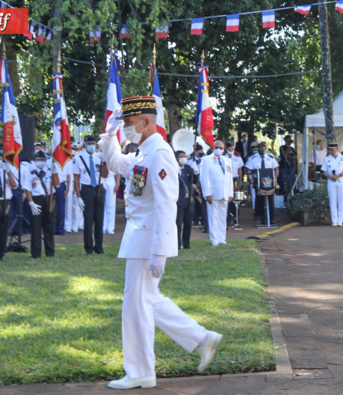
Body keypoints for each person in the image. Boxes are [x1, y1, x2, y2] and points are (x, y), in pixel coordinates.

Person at [100, 97, 222, 390]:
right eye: (125, 123)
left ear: (147, 121)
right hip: (139, 238)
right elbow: (116, 163)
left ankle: (141, 371)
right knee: (147, 302)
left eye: (129, 123)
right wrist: (110, 131)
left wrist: (159, 251)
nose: (127, 128)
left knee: (135, 306)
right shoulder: (143, 152)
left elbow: (168, 204)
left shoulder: (159, 153)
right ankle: (202, 338)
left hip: (147, 240)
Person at [74, 135, 108, 255]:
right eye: (88, 143)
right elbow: (76, 179)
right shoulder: (78, 159)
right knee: (88, 221)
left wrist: (104, 162)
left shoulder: (99, 157)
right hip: (87, 189)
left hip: (99, 188)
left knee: (99, 220)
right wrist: (78, 197)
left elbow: (105, 175)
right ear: (84, 145)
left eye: (93, 143)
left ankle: (99, 247)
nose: (91, 145)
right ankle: (88, 248)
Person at [22, 151, 59, 258]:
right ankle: (36, 254)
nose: (40, 162)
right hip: (36, 200)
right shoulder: (31, 172)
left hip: (49, 198)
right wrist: (30, 202)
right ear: (34, 161)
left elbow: (56, 184)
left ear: (45, 160)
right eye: (37, 160)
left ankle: (50, 252)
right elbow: (27, 188)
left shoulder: (49, 170)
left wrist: (55, 172)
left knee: (49, 226)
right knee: (36, 227)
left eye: (42, 160)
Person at [201, 141, 234, 246]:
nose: (219, 149)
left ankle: (221, 238)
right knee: (213, 216)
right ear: (213, 147)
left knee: (222, 216)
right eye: (217, 147)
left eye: (221, 147)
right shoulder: (206, 160)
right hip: (213, 193)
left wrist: (230, 194)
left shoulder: (227, 160)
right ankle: (214, 239)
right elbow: (204, 178)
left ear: (224, 149)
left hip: (224, 193)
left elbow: (230, 178)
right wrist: (207, 194)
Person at [246, 142, 279, 225]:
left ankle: (271, 219)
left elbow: (276, 168)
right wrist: (251, 179)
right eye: (260, 148)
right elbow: (248, 169)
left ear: (266, 148)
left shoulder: (270, 157)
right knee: (260, 202)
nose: (262, 149)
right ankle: (263, 220)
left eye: (263, 147)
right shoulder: (253, 158)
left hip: (270, 182)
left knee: (270, 201)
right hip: (259, 183)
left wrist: (275, 178)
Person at [322, 142, 343, 227]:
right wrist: (330, 176)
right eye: (330, 150)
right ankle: (334, 221)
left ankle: (340, 221)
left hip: (341, 180)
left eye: (332, 150)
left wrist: (339, 175)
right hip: (331, 181)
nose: (331, 151)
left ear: (337, 149)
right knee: (332, 200)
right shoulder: (327, 159)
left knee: (341, 200)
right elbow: (324, 171)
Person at [175, 150, 197, 249]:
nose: (184, 158)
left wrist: (195, 171)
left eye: (185, 156)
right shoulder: (173, 170)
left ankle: (186, 244)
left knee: (188, 223)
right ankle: (178, 244)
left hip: (189, 200)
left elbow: (195, 181)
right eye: (181, 157)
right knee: (178, 224)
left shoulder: (188, 169)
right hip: (178, 200)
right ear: (176, 158)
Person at [225, 142, 244, 225]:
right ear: (226, 149)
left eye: (232, 149)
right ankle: (228, 218)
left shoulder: (238, 158)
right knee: (227, 199)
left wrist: (240, 181)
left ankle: (236, 218)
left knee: (235, 200)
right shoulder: (223, 158)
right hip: (226, 181)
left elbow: (240, 171)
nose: (231, 150)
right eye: (229, 149)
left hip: (234, 180)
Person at [278, 135, 297, 202]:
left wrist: (290, 156)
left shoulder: (292, 149)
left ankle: (290, 195)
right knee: (282, 182)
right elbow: (284, 156)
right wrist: (288, 149)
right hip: (283, 167)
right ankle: (283, 196)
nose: (289, 141)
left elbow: (295, 157)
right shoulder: (282, 147)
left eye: (290, 140)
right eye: (288, 140)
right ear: (285, 140)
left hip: (291, 167)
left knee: (291, 182)